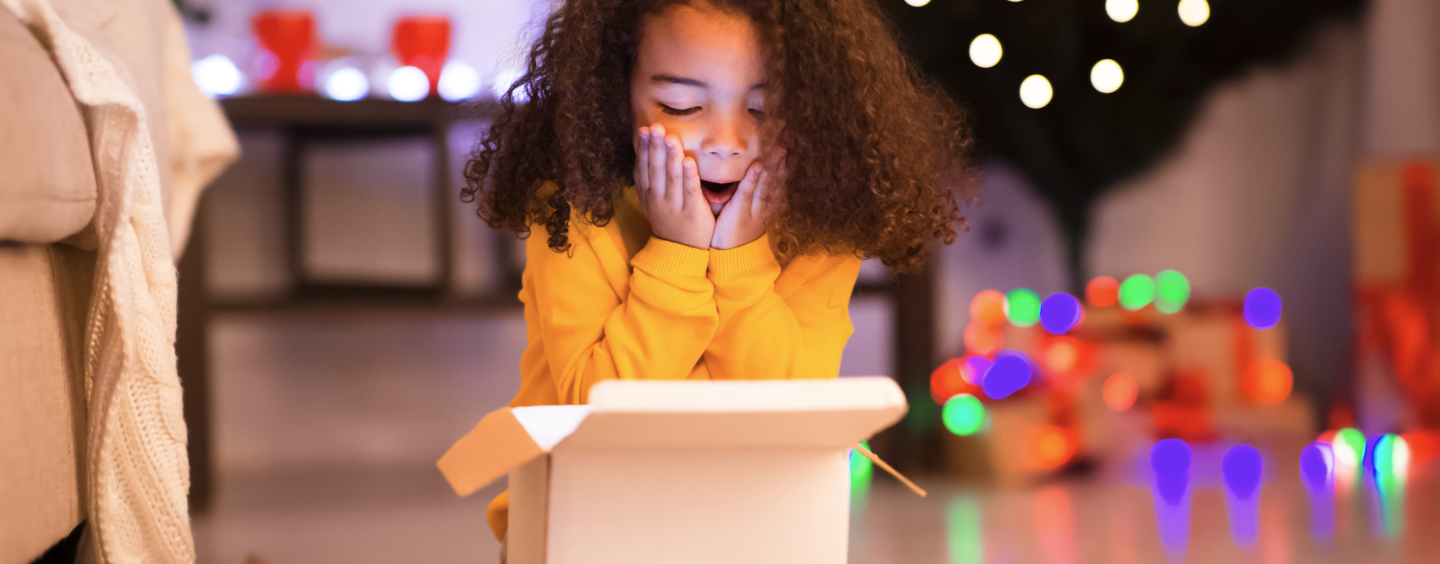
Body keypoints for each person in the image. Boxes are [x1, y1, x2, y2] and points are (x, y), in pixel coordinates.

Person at [461, 0, 973, 546]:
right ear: (615, 95)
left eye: (762, 108)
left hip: (752, 531)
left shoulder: (820, 231)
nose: (726, 140)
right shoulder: (572, 210)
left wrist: (740, 261)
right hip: (582, 527)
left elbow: (789, 417)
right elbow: (596, 416)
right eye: (680, 106)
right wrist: (677, 253)